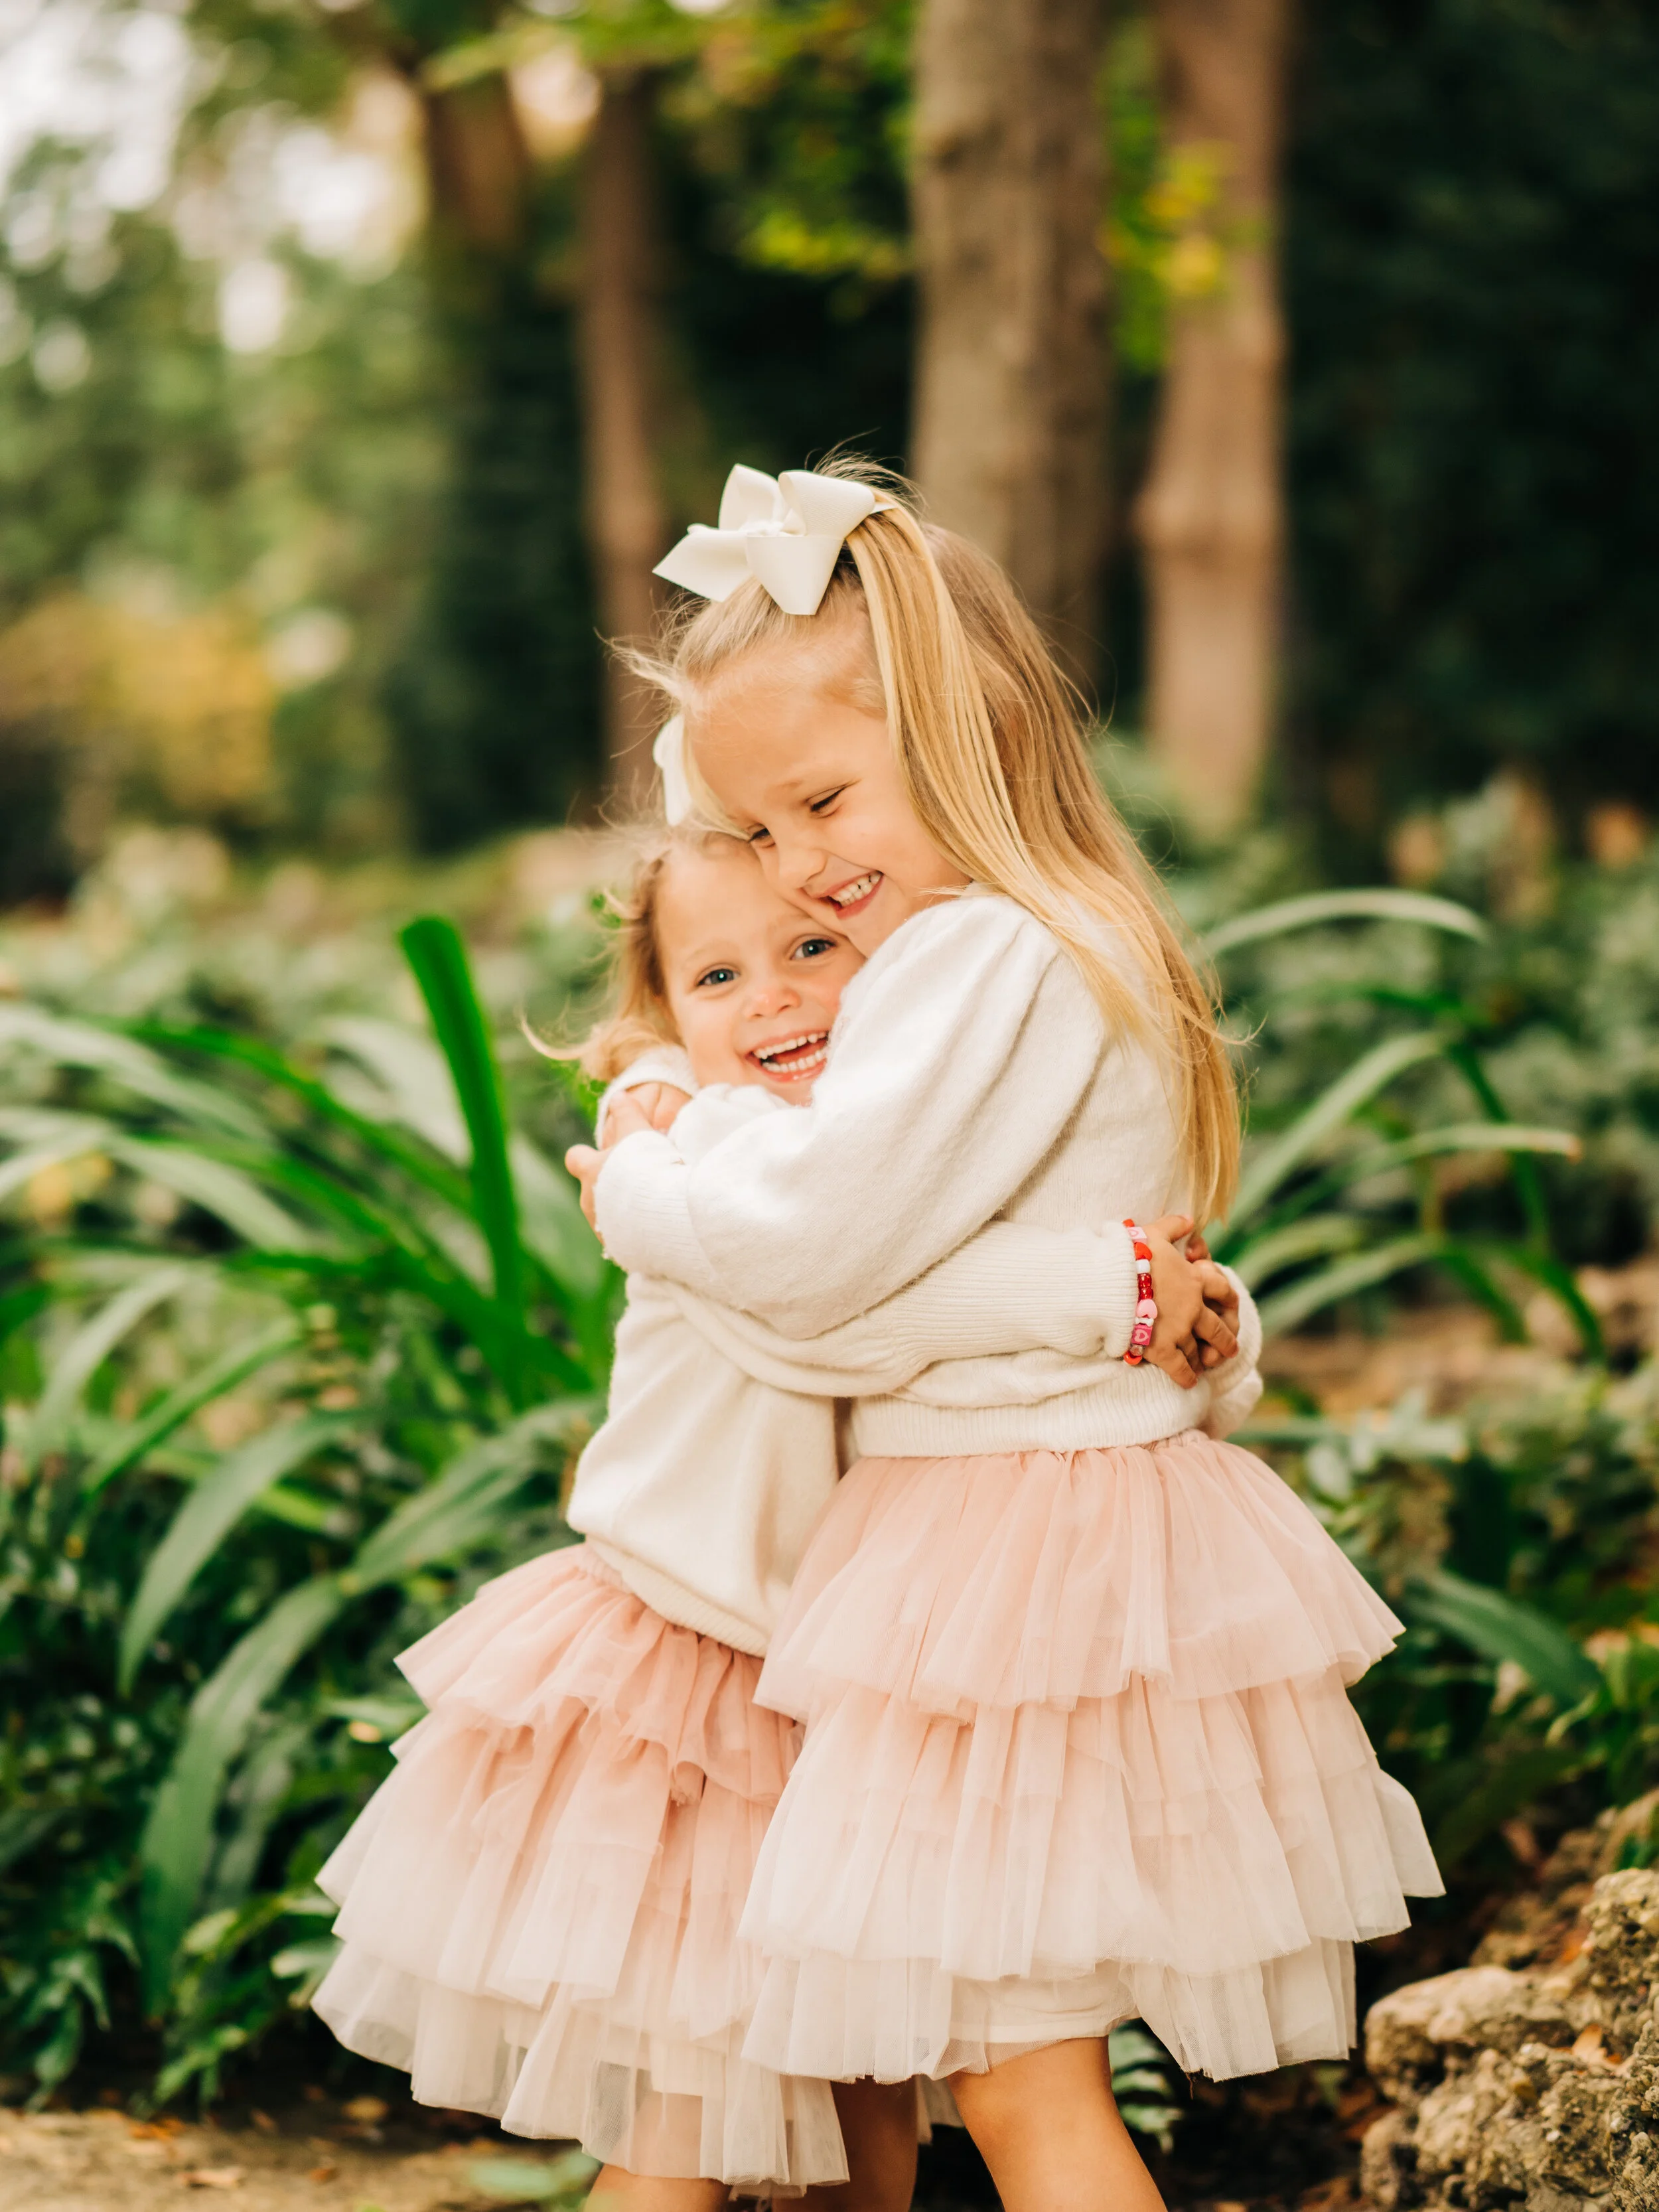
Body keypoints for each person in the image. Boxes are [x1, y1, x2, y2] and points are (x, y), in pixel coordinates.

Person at [569, 461, 1443, 2212]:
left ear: (957, 723)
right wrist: (1145, 1309)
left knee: (1026, 2085)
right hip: (1040, 1536)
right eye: (761, 839)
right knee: (997, 2063)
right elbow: (1057, 1270)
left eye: (821, 801)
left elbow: (821, 1272)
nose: (803, 868)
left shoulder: (971, 964)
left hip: (993, 1558)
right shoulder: (1069, 938)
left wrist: (634, 1192)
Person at [315, 825, 1248, 2209]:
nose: (772, 996)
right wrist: (1112, 1296)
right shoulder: (721, 1174)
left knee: (865, 2106)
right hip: (695, 1677)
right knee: (687, 2118)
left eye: (813, 949)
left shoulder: (871, 1165)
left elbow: (955, 1342)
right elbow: (847, 1332)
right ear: (660, 1019)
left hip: (841, 1682)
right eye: (717, 975)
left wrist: (1194, 1316)